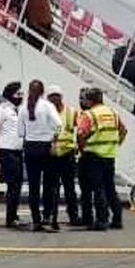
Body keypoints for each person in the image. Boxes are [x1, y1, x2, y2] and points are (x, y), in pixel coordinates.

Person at [76, 88, 127, 231]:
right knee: (110, 188)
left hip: (93, 156)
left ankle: (101, 220)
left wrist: (82, 150)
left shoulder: (89, 114)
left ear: (91, 100)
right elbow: (123, 131)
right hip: (109, 156)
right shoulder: (113, 113)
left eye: (85, 99)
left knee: (96, 189)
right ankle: (117, 219)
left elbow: (80, 134)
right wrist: (115, 144)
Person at [17, 80, 62, 232]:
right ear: (43, 92)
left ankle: (36, 219)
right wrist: (49, 133)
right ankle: (48, 216)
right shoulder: (47, 106)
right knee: (49, 185)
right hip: (45, 147)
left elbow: (20, 133)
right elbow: (58, 124)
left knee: (33, 186)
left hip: (30, 147)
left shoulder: (23, 108)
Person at [45, 85, 81, 226]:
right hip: (51, 155)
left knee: (69, 187)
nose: (54, 99)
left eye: (57, 95)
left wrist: (78, 146)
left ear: (61, 97)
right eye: (51, 96)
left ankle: (73, 216)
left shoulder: (71, 112)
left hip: (67, 154)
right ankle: (47, 215)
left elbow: (80, 130)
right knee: (49, 187)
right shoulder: (44, 113)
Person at [0, 82, 24, 228]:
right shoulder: (2, 109)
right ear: (10, 94)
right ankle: (10, 218)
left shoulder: (19, 110)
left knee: (18, 185)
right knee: (13, 185)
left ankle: (14, 215)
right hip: (7, 151)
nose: (21, 96)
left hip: (18, 151)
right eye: (18, 94)